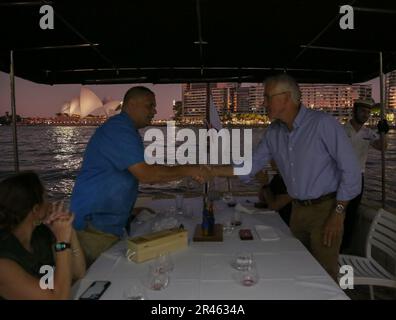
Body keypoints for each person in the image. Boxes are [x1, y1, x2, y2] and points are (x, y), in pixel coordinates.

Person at [209, 74, 361, 281]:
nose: (263, 103)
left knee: (326, 274)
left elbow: (351, 172)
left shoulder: (323, 124)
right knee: (297, 267)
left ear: (286, 97)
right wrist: (210, 170)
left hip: (326, 210)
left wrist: (339, 213)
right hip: (298, 211)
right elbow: (249, 167)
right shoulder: (274, 132)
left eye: (267, 97)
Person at [71, 86, 210, 265]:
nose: (155, 111)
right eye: (150, 105)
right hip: (94, 228)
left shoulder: (124, 129)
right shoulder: (119, 130)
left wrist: (129, 212)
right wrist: (189, 169)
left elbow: (130, 172)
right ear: (131, 104)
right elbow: (146, 174)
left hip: (107, 223)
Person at [0, 171, 85, 300]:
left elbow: (77, 272)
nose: (50, 203)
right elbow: (59, 298)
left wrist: (68, 231)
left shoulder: (41, 234)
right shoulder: (4, 262)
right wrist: (62, 242)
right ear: (35, 209)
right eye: (46, 197)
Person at [341, 98, 389, 252]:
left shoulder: (369, 133)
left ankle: (344, 248)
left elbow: (382, 147)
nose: (366, 114)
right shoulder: (341, 130)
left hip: (358, 178)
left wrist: (384, 132)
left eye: (368, 112)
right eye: (363, 111)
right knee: (336, 211)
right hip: (339, 178)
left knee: (351, 214)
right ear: (355, 111)